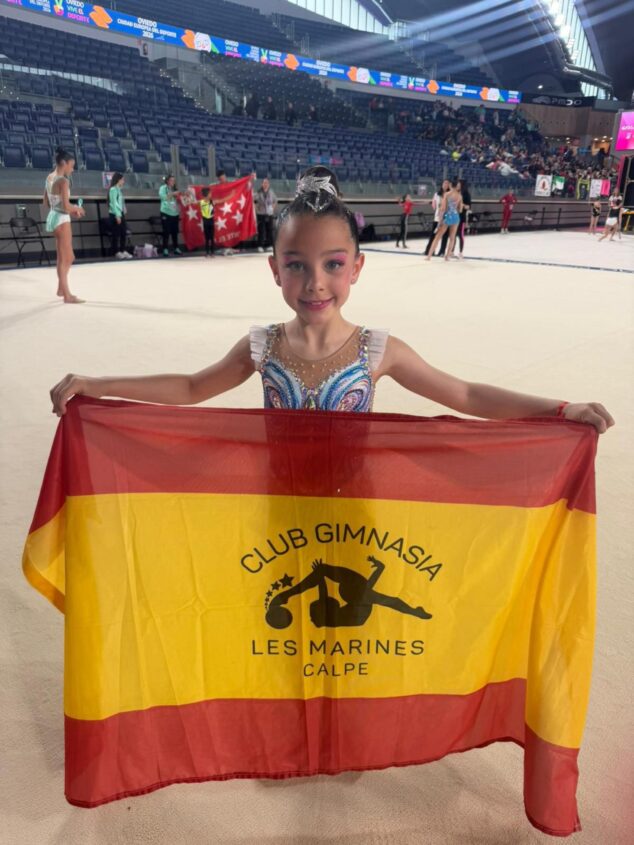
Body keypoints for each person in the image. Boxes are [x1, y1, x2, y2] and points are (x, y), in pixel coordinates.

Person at [50, 166, 614, 440]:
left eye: (333, 265)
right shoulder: (262, 345)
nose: (315, 283)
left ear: (356, 268)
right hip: (277, 495)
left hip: (353, 501)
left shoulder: (376, 349)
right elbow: (194, 387)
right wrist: (98, 384)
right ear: (275, 270)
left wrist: (559, 409)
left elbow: (465, 393)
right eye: (296, 264)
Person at [43, 146, 86, 304]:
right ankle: (67, 295)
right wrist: (77, 208)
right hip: (61, 219)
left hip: (54, 217)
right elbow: (67, 206)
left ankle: (61, 288)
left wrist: (68, 209)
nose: (73, 169)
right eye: (71, 165)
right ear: (63, 163)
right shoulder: (63, 181)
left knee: (64, 257)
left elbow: (46, 202)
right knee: (66, 258)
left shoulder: (49, 178)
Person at [425, 180, 463, 262]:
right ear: (456, 186)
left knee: (437, 237)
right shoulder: (459, 196)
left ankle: (429, 256)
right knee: (452, 238)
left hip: (447, 216)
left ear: (450, 186)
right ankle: (447, 256)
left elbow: (443, 208)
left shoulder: (447, 194)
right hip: (455, 216)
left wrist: (440, 219)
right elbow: (460, 209)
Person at [108, 172, 131, 260]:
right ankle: (116, 251)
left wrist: (123, 212)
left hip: (121, 213)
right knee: (116, 234)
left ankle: (123, 250)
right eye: (123, 179)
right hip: (115, 214)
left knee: (123, 233)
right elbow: (113, 203)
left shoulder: (119, 190)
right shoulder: (113, 189)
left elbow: (121, 203)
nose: (124, 181)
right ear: (118, 180)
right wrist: (117, 215)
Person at [424, 180, 449, 257]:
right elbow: (434, 205)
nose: (445, 185)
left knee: (445, 235)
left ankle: (442, 251)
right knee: (433, 234)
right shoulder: (436, 194)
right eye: (444, 183)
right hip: (437, 217)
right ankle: (429, 250)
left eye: (447, 184)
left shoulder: (449, 194)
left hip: (446, 217)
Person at [159, 174, 182, 257]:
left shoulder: (175, 189)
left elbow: (180, 199)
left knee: (175, 231)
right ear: (167, 181)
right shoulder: (163, 188)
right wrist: (172, 194)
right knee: (166, 231)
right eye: (171, 180)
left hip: (175, 213)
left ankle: (176, 248)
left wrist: (182, 195)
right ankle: (165, 248)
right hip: (166, 212)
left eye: (174, 180)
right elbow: (163, 197)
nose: (173, 182)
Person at [255, 177, 278, 253]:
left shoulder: (271, 192)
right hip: (261, 213)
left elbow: (275, 201)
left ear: (268, 184)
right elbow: (255, 201)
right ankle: (260, 245)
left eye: (267, 183)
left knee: (269, 230)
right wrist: (257, 208)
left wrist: (272, 208)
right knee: (261, 230)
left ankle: (269, 245)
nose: (265, 184)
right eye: (264, 183)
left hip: (269, 213)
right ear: (262, 184)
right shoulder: (259, 192)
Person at [456, 179, 472, 259]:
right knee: (453, 235)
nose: (457, 185)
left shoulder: (466, 194)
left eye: (459, 184)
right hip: (454, 216)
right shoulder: (455, 192)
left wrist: (462, 204)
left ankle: (461, 252)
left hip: (461, 217)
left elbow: (468, 206)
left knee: (460, 235)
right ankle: (451, 251)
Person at [199, 187, 214, 258]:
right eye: (210, 193)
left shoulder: (212, 201)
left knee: (212, 237)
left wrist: (231, 195)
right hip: (205, 221)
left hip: (211, 221)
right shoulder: (201, 202)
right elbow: (192, 202)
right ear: (207, 194)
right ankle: (207, 252)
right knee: (207, 238)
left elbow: (222, 200)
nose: (211, 194)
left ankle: (212, 252)